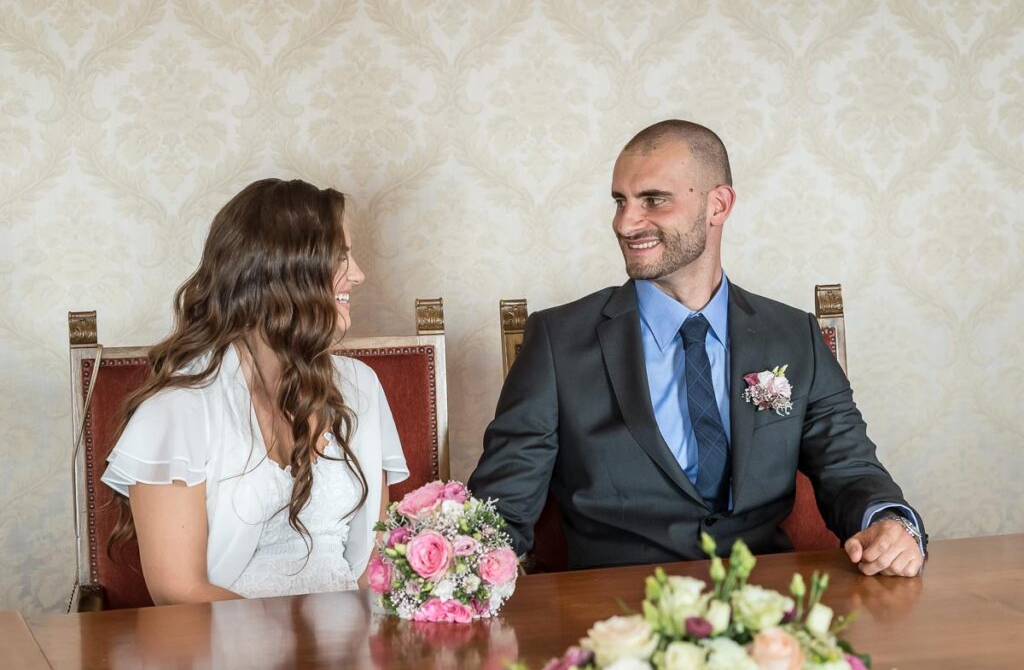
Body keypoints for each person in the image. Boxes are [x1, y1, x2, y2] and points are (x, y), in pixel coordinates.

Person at [468, 120, 925, 577]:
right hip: (612, 618)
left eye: (654, 200)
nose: (626, 223)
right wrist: (454, 570)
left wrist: (888, 523)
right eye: (620, 202)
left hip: (766, 609)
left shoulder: (793, 336)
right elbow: (501, 509)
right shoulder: (556, 340)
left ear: (717, 205)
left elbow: (849, 467)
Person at [101, 178, 409, 604]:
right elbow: (179, 591)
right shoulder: (176, 412)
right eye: (341, 257)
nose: (358, 274)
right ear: (283, 271)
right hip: (228, 647)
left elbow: (375, 563)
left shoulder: (361, 387)